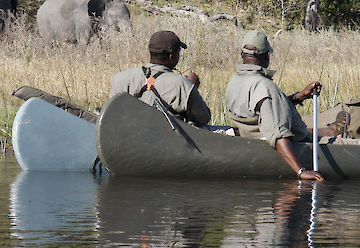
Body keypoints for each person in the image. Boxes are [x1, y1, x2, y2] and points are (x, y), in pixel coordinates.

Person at [224, 30, 343, 181]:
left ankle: (331, 130)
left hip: (253, 137)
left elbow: (265, 109)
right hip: (296, 144)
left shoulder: (235, 82)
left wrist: (299, 96)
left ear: (243, 55)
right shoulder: (265, 87)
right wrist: (301, 171)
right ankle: (338, 134)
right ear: (266, 56)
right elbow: (279, 137)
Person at [111, 30, 211, 127]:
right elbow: (203, 118)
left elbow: (112, 114)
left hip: (128, 139)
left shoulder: (119, 79)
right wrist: (192, 86)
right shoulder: (182, 84)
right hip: (167, 141)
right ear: (171, 57)